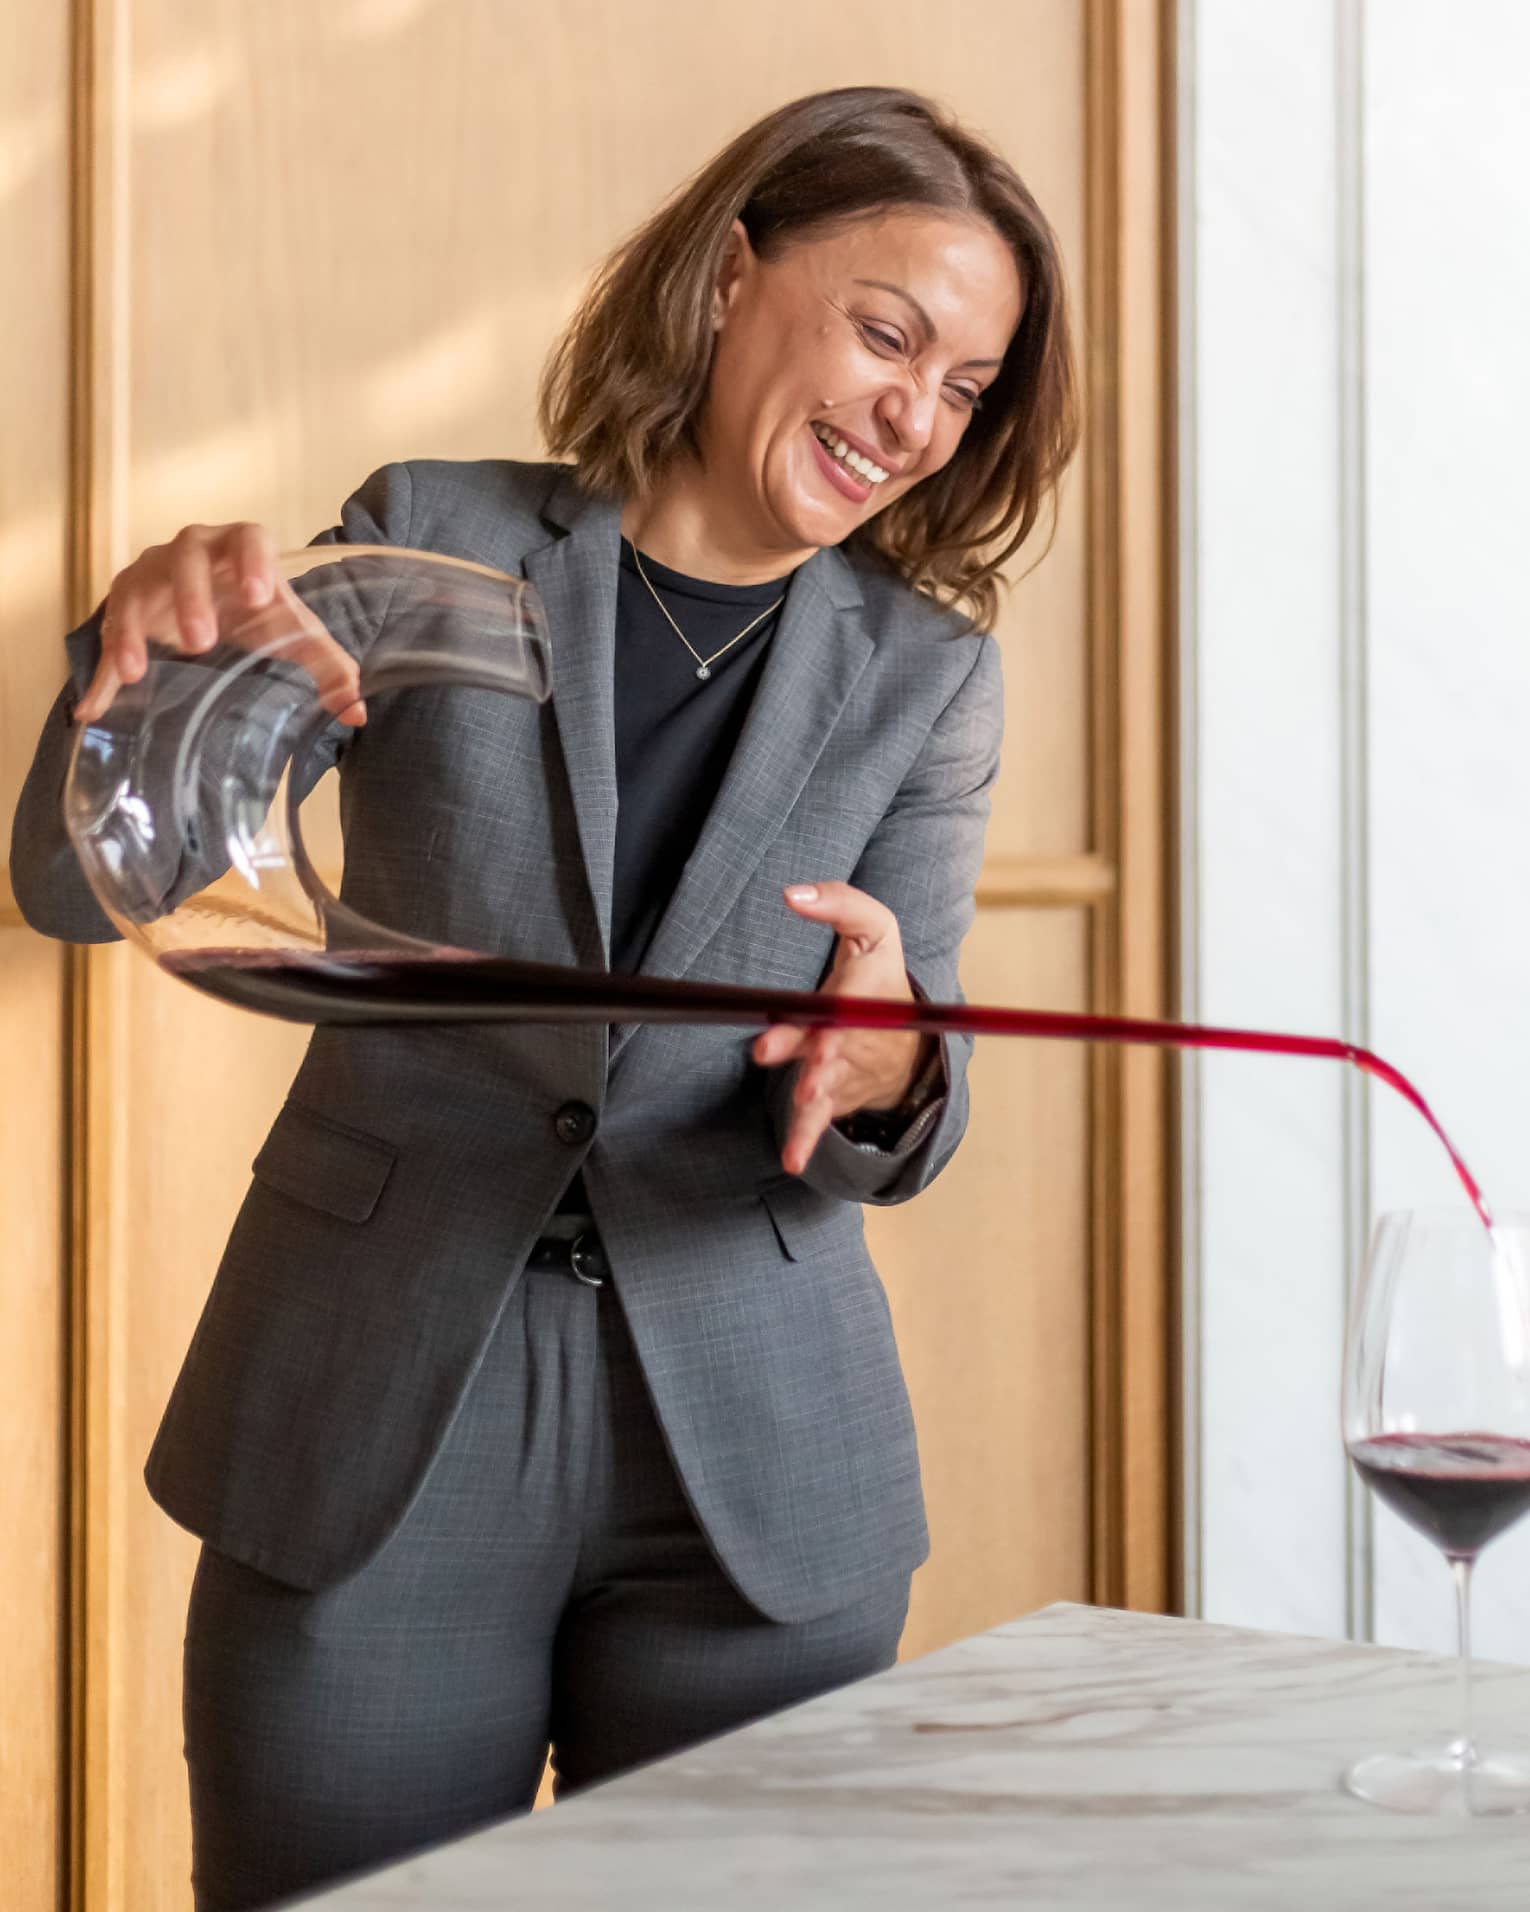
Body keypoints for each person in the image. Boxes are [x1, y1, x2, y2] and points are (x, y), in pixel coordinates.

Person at [10, 85, 1077, 1911]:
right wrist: (150, 679)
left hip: (752, 1439)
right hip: (380, 1396)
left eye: (967, 384)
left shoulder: (926, 673)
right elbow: (74, 885)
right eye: (886, 332)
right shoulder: (429, 532)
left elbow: (910, 1077)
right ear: (733, 272)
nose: (915, 415)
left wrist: (890, 1062)